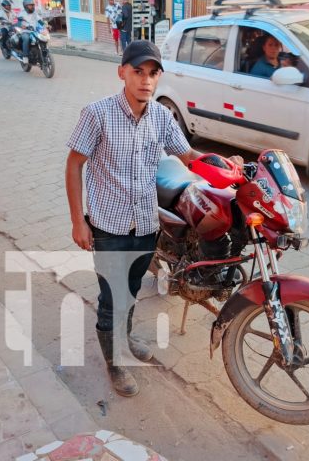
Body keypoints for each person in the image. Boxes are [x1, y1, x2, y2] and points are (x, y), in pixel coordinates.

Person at [66, 40, 243, 397]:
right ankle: (115, 362)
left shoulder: (162, 117)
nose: (145, 80)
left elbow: (189, 154)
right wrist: (77, 222)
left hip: (146, 224)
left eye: (153, 73)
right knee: (112, 298)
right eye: (138, 72)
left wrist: (224, 164)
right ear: (122, 73)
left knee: (130, 290)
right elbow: (74, 165)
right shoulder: (97, 114)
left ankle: (126, 339)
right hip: (108, 226)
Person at [19, 0, 42, 64]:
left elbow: (39, 20)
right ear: (25, 6)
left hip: (34, 31)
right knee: (26, 38)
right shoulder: (21, 13)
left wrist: (45, 25)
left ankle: (41, 53)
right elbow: (19, 22)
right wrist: (23, 26)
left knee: (42, 38)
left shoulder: (34, 13)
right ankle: (25, 56)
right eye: (30, 5)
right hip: (26, 31)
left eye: (32, 5)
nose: (32, 6)